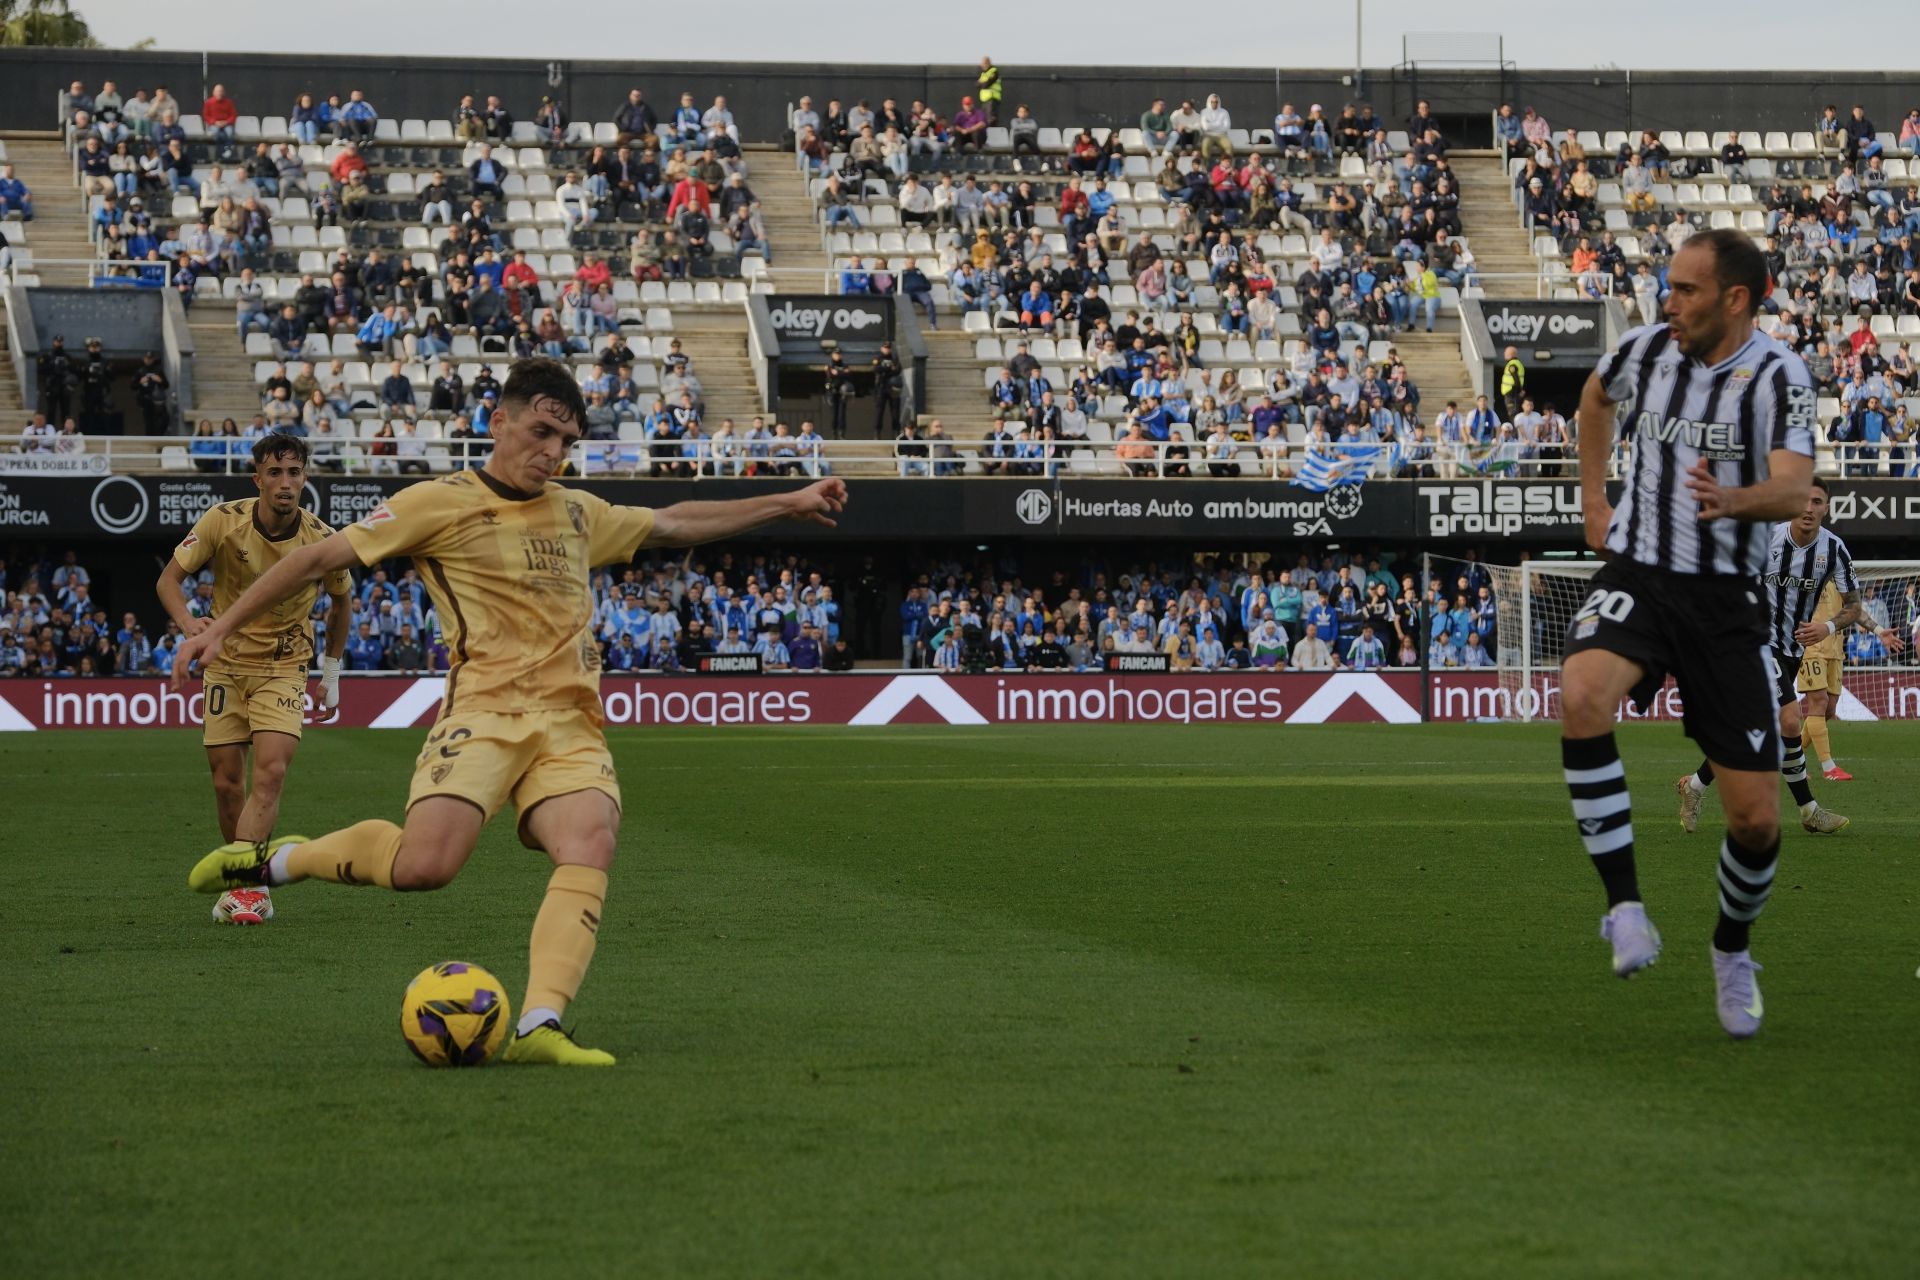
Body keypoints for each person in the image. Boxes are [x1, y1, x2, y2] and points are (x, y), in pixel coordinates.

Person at [175, 358, 849, 1067]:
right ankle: (282, 860)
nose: (553, 453)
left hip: (570, 723)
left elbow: (674, 521)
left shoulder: (579, 512)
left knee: (590, 839)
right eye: (541, 431)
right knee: (424, 867)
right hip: (486, 714)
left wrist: (788, 500)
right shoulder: (435, 501)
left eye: (566, 442)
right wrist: (217, 629)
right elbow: (314, 561)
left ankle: (540, 1024)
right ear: (499, 422)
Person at [1561, 230, 1816, 1039]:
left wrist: (1735, 501)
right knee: (1581, 697)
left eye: (1686, 291)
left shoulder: (1780, 376)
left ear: (1736, 299)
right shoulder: (1646, 348)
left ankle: (1732, 951)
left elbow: (1794, 488)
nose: (1668, 302)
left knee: (1756, 820)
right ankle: (1625, 908)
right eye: (1667, 286)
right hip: (1639, 574)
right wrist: (1596, 505)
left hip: (1725, 602)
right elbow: (1594, 401)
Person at [157, 432, 352, 923]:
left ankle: (247, 890)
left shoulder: (324, 539)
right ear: (258, 478)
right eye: (275, 473)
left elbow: (342, 600)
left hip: (285, 667)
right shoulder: (223, 521)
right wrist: (190, 625)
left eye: (295, 473)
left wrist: (331, 671)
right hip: (225, 664)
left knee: (271, 771)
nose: (286, 483)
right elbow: (168, 582)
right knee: (227, 784)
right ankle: (244, 876)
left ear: (305, 478)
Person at [1677, 477, 1902, 837]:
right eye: (1804, 500)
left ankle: (1696, 786)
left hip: (1789, 650)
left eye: (1817, 502)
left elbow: (1853, 604)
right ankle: (1809, 810)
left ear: (1826, 509)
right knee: (1789, 718)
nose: (1809, 508)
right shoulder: (1767, 538)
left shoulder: (1834, 550)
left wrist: (1853, 629)